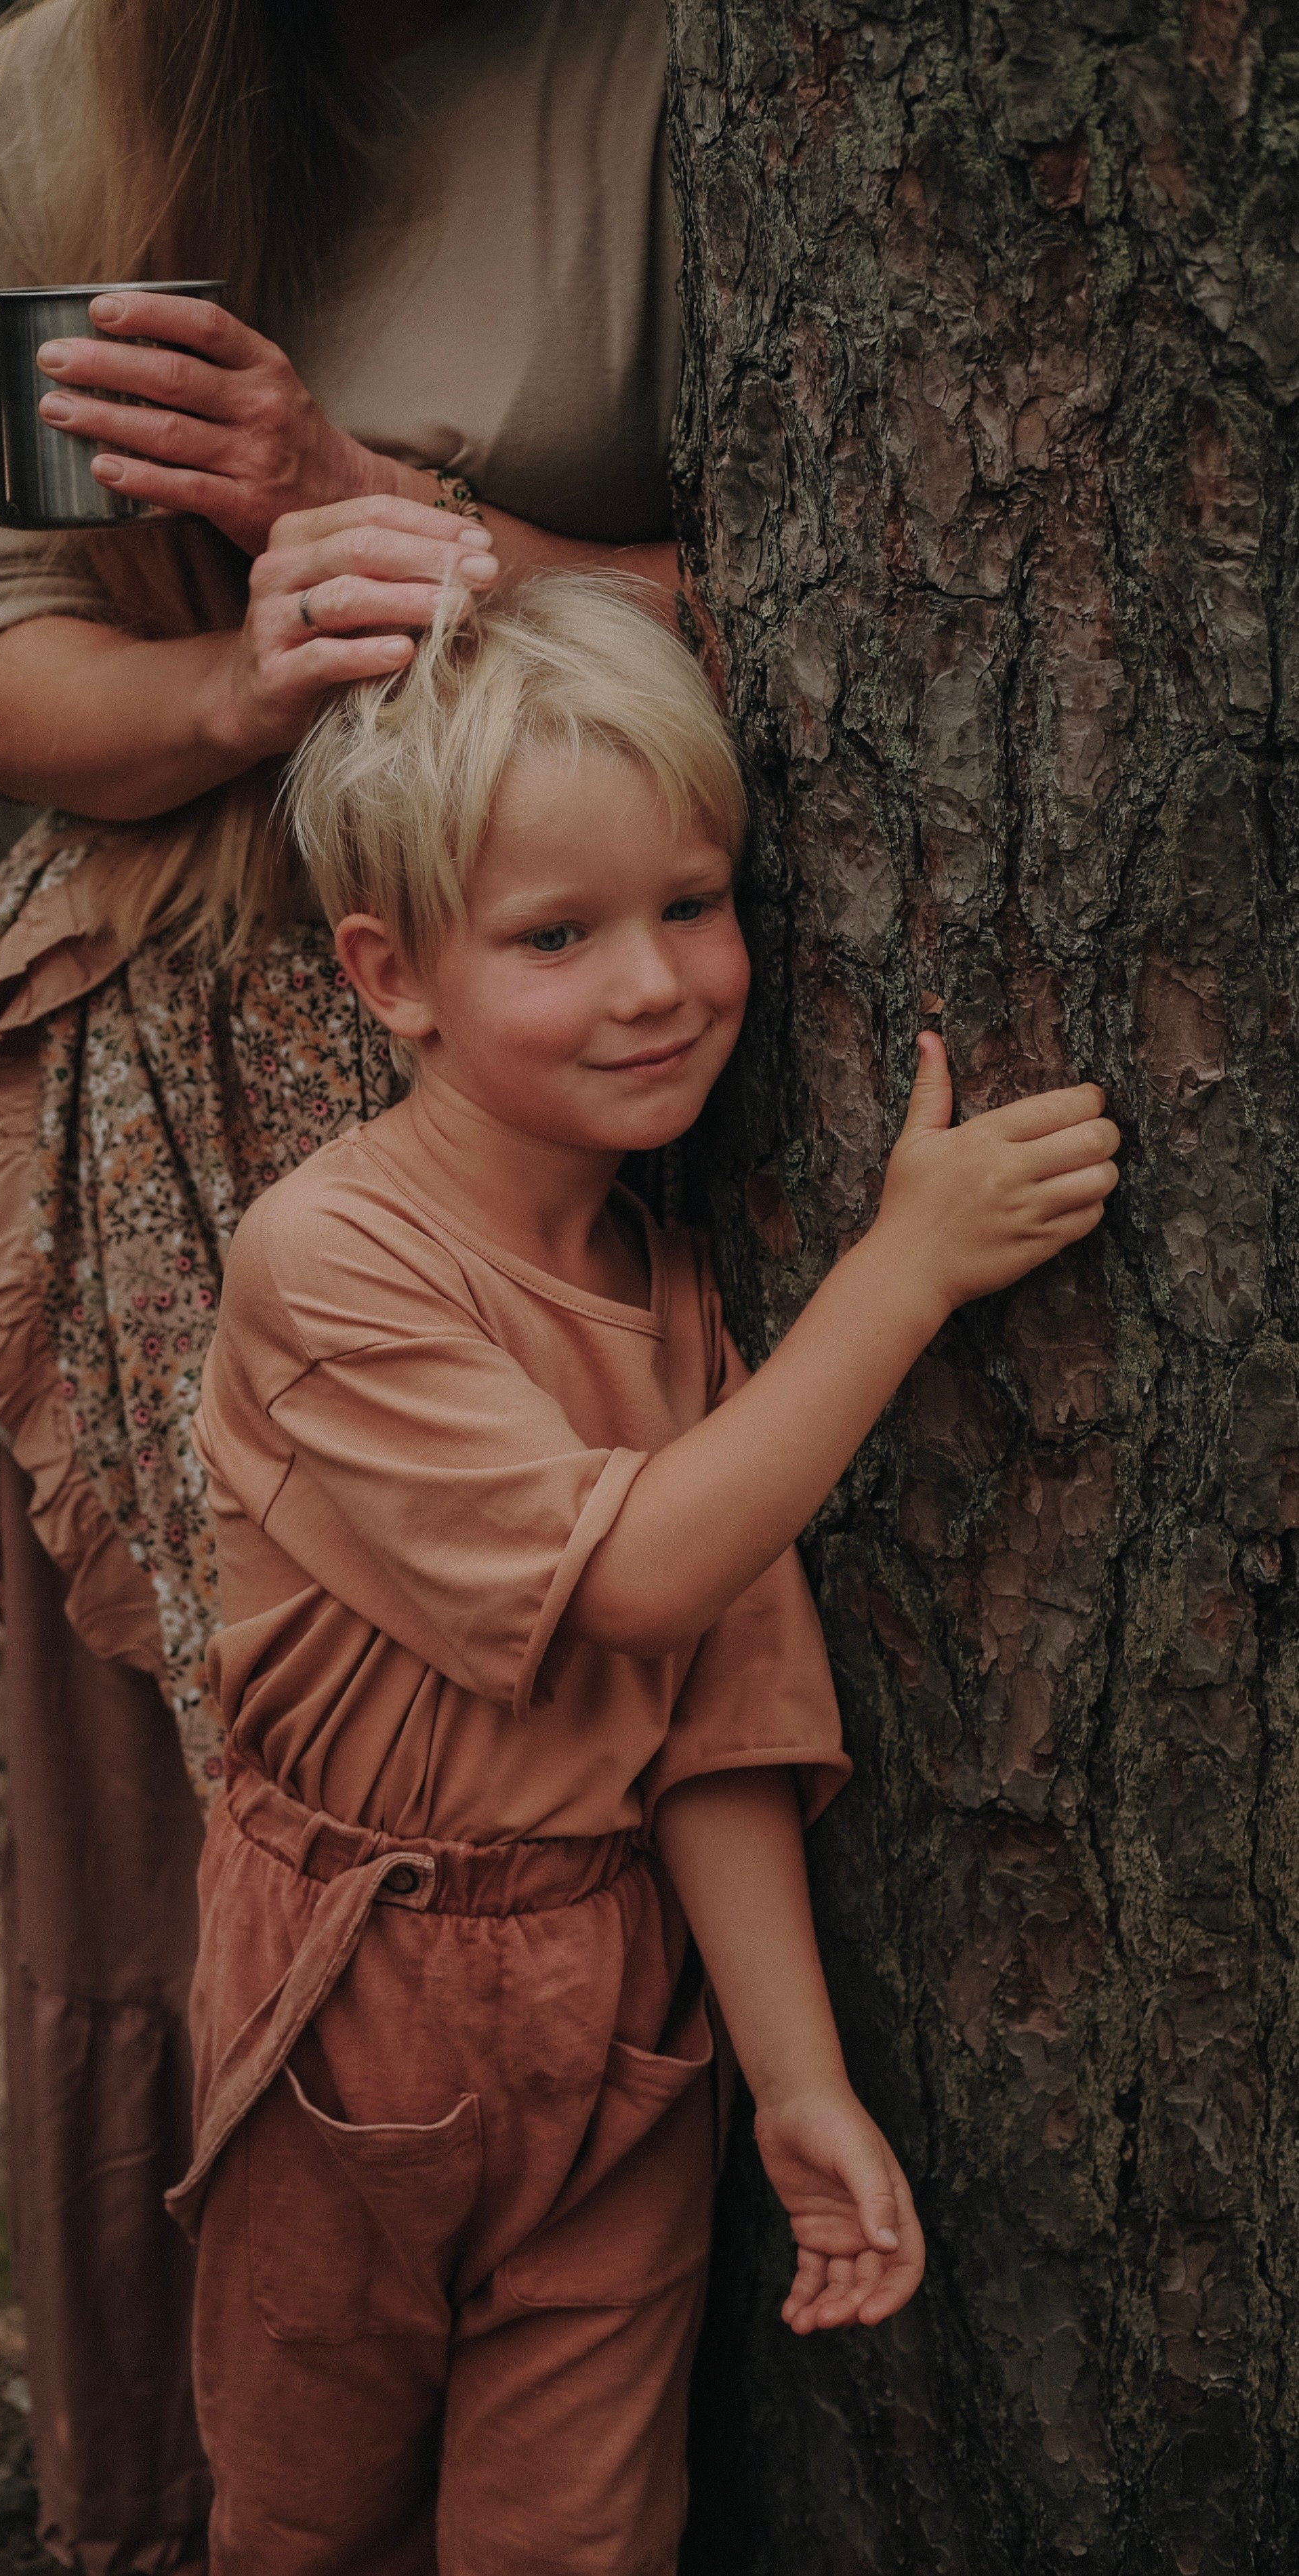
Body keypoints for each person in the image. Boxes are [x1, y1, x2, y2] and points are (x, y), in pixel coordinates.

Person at [0, 2, 686, 2565]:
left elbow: (897, 577)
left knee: (576, 1841)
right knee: (199, 1868)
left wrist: (402, 519)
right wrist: (242, 673)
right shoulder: (62, 92)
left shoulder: (683, 58)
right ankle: (209, 2499)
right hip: (166, 1130)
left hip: (546, 1084)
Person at [175, 573, 1121, 2573]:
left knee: (582, 2534)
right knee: (310, 2518)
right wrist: (906, 1271)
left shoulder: (674, 1291)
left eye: (693, 903)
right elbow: (629, 1575)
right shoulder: (332, 1265)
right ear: (389, 974)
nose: (656, 983)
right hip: (363, 2001)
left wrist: (795, 2086)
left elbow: (711, 1720)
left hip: (622, 2012)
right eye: (556, 934)